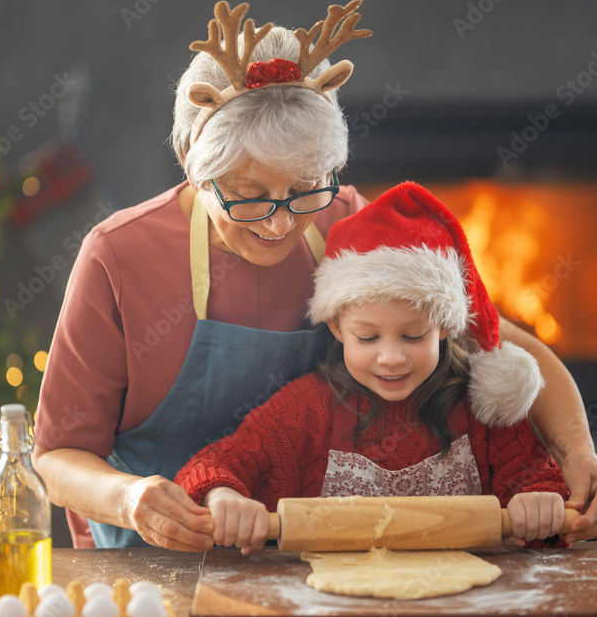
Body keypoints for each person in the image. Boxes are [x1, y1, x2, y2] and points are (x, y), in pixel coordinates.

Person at [31, 0, 597, 550]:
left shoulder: (345, 225)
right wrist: (130, 497)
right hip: (148, 559)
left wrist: (579, 454)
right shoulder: (116, 258)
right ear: (193, 165)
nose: (280, 222)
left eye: (304, 188)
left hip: (294, 557)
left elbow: (496, 338)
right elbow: (57, 457)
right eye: (248, 195)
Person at [175, 182, 572, 553]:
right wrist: (223, 497)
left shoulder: (484, 410)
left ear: (446, 329)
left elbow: (536, 477)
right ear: (337, 327)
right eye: (368, 338)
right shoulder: (308, 411)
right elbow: (212, 466)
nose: (391, 357)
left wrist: (536, 502)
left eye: (413, 336)